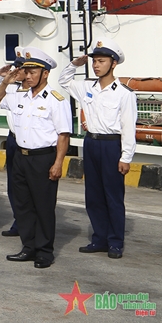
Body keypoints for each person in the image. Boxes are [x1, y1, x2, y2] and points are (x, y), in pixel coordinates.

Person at [59, 38, 137, 259]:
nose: (95, 65)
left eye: (101, 61)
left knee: (113, 196)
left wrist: (126, 157)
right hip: (91, 143)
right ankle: (99, 239)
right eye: (94, 61)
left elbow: (128, 127)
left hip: (112, 146)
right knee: (93, 195)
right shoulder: (86, 87)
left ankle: (115, 242)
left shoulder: (124, 93)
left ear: (113, 63)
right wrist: (75, 64)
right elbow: (63, 81)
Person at [0, 48, 71, 268]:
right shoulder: (19, 96)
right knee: (23, 205)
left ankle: (45, 251)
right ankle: (28, 247)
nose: (28, 76)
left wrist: (58, 164)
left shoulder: (57, 100)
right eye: (26, 71)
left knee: (43, 206)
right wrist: (6, 81)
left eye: (33, 71)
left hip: (43, 158)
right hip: (20, 156)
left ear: (45, 73)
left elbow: (63, 135)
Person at [0, 47, 28, 237]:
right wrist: (0, 77)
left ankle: (30, 224)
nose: (15, 72)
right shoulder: (10, 89)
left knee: (31, 187)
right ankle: (19, 222)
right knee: (14, 185)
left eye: (20, 69)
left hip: (32, 144)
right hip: (13, 141)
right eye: (14, 68)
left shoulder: (37, 92)